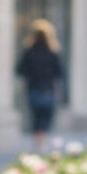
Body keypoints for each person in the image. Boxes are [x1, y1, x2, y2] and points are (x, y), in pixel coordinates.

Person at [16, 18, 64, 151]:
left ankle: (38, 144)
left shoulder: (29, 51)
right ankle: (42, 144)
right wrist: (60, 92)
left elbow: (21, 72)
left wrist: (22, 90)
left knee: (36, 117)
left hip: (33, 89)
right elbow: (58, 75)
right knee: (45, 118)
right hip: (48, 89)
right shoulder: (52, 52)